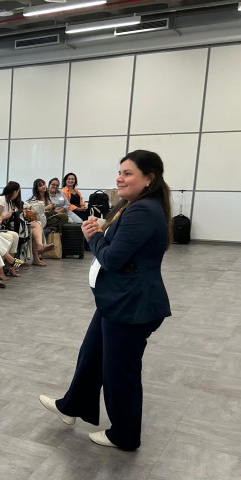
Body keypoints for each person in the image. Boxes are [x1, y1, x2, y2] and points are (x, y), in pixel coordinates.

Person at [39, 150, 172, 451]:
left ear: (148, 179)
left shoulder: (142, 210)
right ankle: (71, 406)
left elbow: (112, 259)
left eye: (128, 173)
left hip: (131, 305)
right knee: (92, 354)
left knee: (119, 372)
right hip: (117, 301)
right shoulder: (134, 206)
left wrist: (93, 237)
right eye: (120, 172)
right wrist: (102, 231)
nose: (119, 178)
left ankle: (125, 435)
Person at [0, 182, 52, 266]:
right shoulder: (1, 200)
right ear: (15, 192)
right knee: (34, 226)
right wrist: (7, 216)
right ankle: (14, 263)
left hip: (11, 224)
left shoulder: (9, 201)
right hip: (1, 227)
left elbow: (10, 215)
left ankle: (37, 249)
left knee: (35, 226)